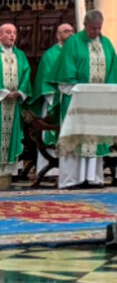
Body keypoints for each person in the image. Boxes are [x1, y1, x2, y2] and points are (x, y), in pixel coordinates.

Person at [52, 10, 117, 188]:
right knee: (76, 138)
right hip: (76, 101)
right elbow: (66, 73)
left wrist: (109, 93)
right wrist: (81, 90)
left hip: (98, 102)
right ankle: (71, 179)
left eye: (99, 28)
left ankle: (93, 177)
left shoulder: (106, 44)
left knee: (94, 140)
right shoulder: (73, 43)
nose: (96, 32)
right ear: (85, 26)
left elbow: (113, 73)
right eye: (93, 29)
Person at [28, 23, 73, 172]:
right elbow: (45, 82)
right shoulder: (50, 55)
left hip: (74, 103)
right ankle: (50, 172)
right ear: (57, 35)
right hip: (55, 103)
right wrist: (57, 101)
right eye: (66, 31)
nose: (70, 33)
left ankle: (69, 170)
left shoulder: (75, 54)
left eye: (72, 31)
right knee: (51, 134)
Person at [0, 24, 31, 179]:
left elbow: (26, 74)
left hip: (13, 105)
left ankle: (6, 175)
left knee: (10, 136)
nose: (12, 35)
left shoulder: (20, 55)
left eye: (14, 33)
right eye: (8, 32)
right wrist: (4, 93)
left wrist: (19, 92)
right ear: (0, 35)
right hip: (1, 103)